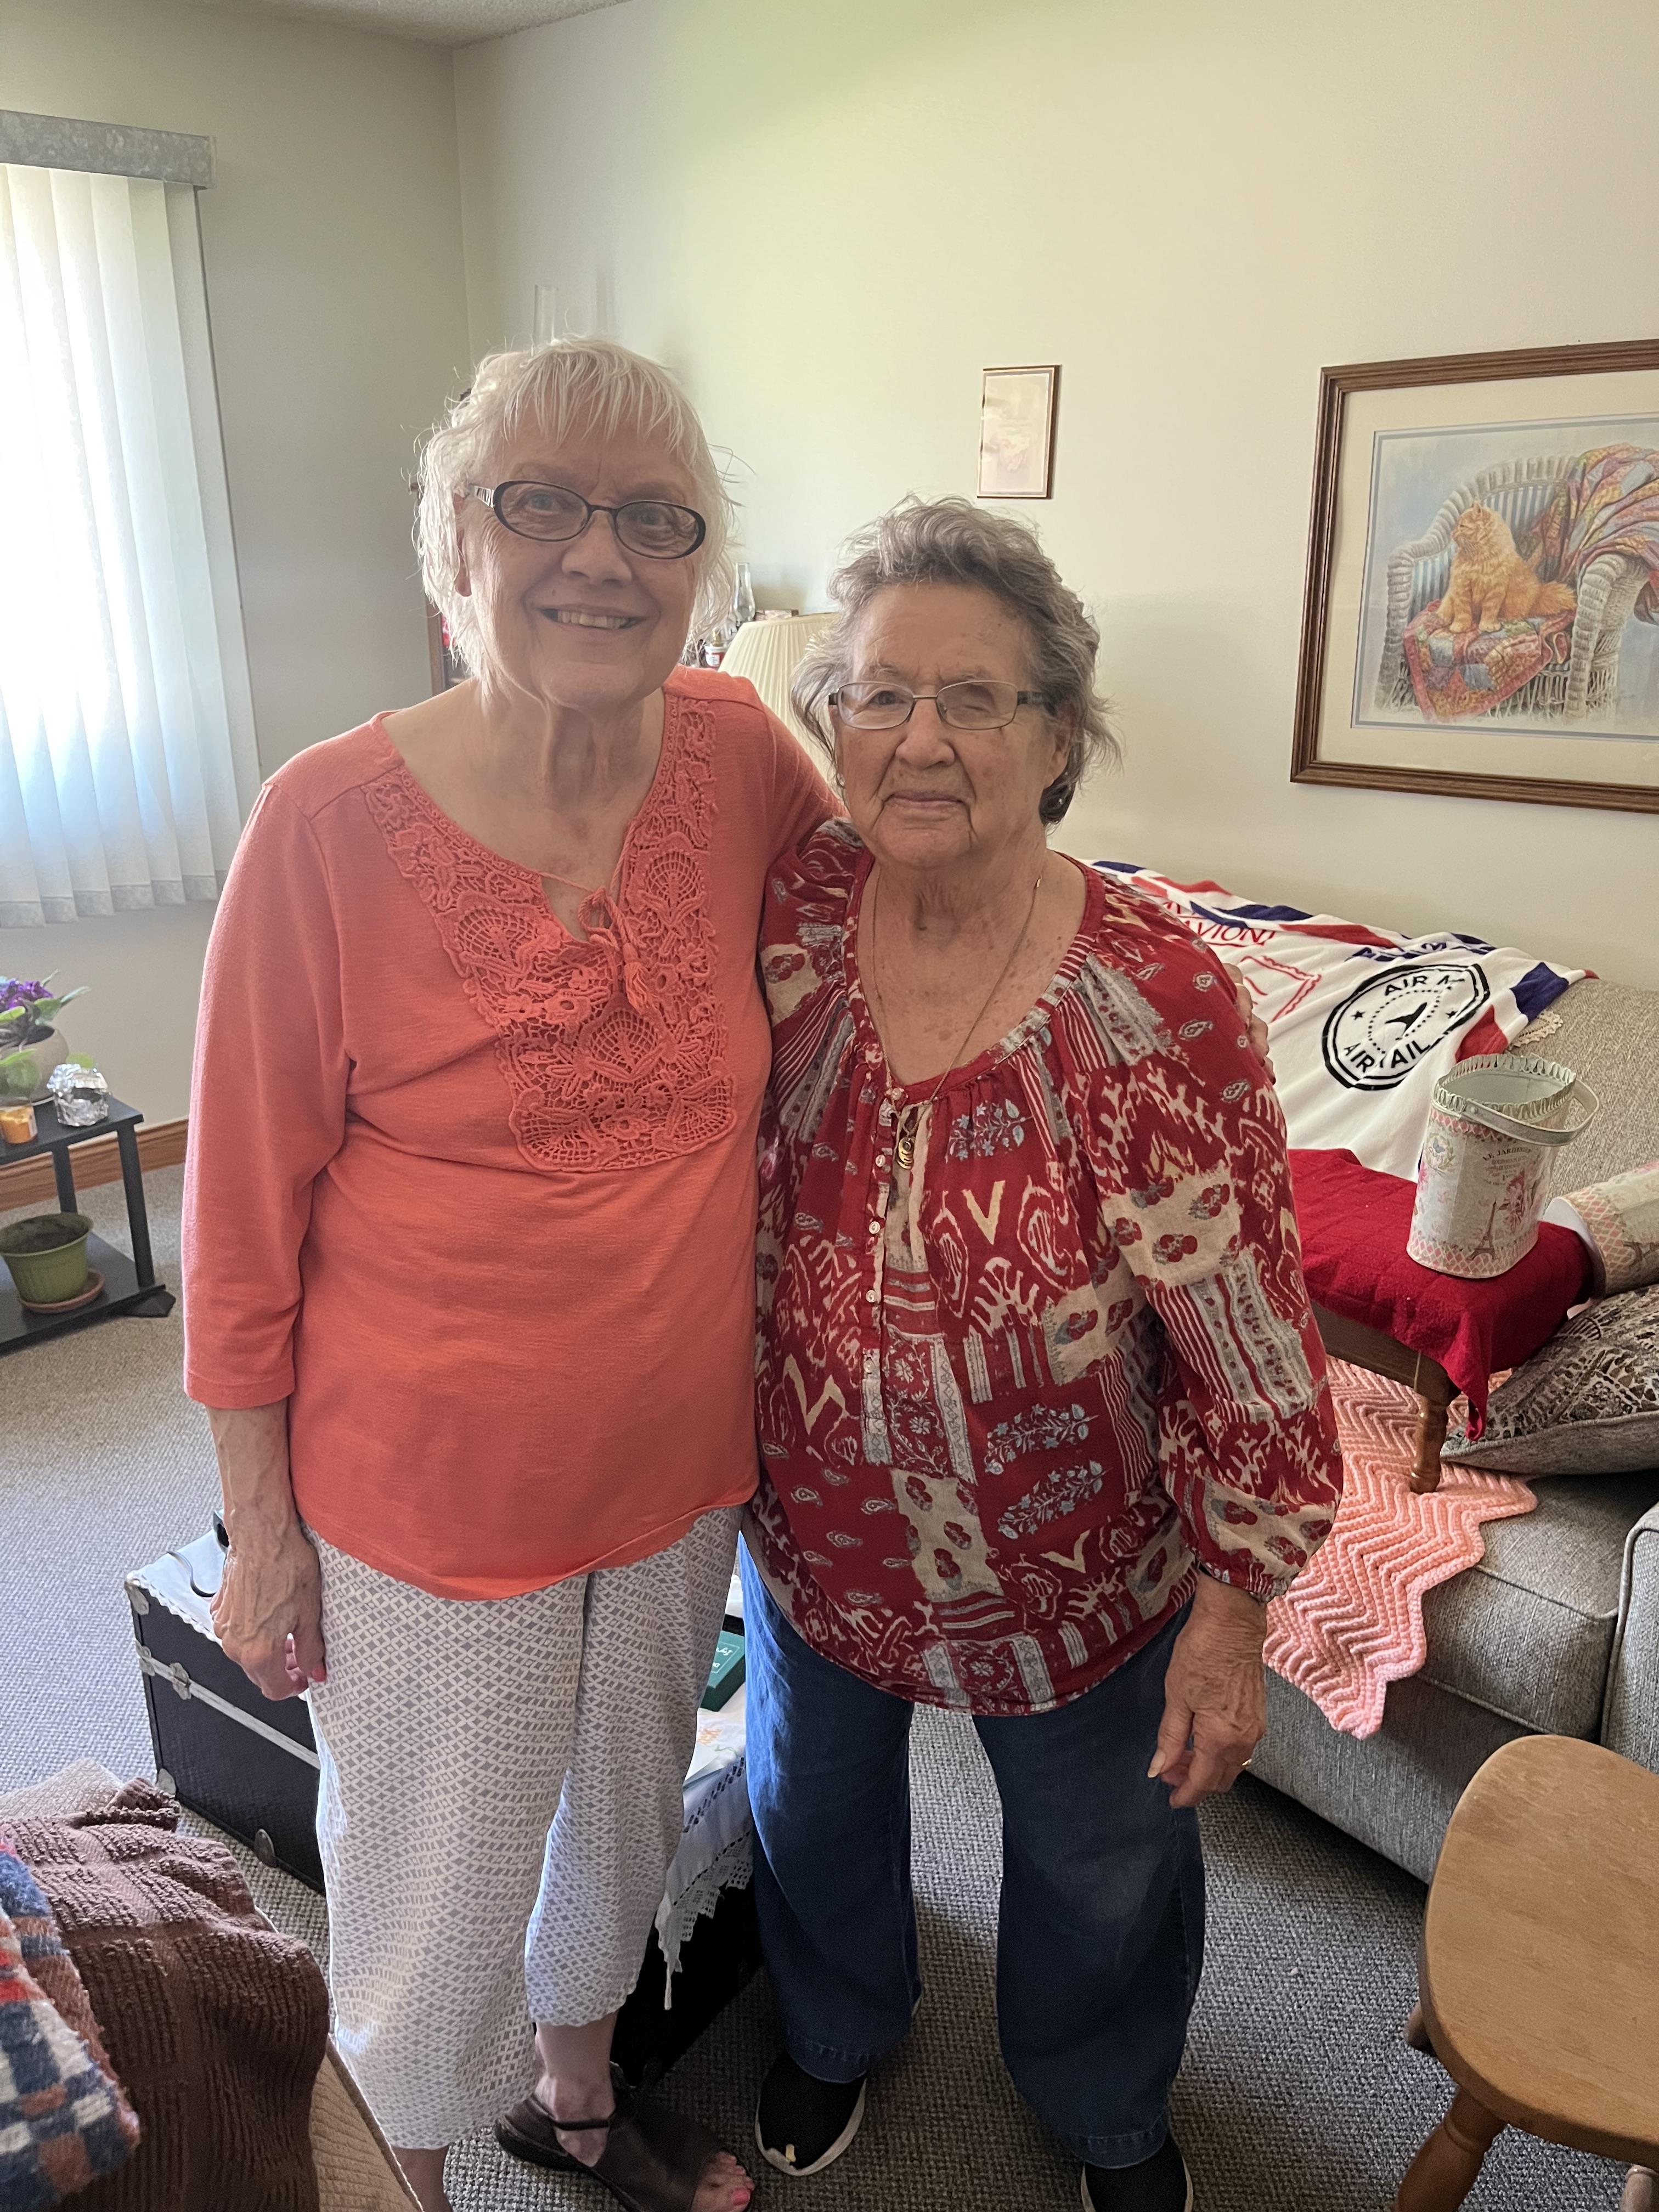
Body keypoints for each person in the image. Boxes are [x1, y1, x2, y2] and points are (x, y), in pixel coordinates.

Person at [181, 339, 836, 2212]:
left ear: (701, 565)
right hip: (426, 1493)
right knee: (427, 1886)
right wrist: (257, 1523)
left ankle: (571, 2103)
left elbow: (877, 941)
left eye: (656, 517)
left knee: (623, 1825)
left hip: (674, 1462)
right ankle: (409, 2180)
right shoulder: (323, 827)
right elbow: (235, 1217)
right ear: (446, 549)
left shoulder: (738, 753)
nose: (599, 557)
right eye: (535, 502)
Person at [742, 496, 1345, 2212]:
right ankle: (840, 2024)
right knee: (811, 1812)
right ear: (831, 722)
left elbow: (1250, 1341)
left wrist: (1232, 1620)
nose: (918, 737)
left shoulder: (1161, 1004)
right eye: (874, 694)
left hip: (1085, 1570)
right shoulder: (792, 919)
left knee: (1099, 1866)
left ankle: (1099, 2098)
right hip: (810, 1535)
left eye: (976, 698)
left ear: (1058, 735)